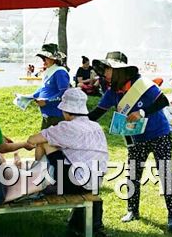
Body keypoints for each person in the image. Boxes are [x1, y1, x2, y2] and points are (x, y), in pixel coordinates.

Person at [89, 51, 172, 232]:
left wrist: (142, 112)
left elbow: (163, 101)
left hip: (158, 134)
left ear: (119, 71)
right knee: (133, 174)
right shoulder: (112, 92)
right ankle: (132, 210)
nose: (104, 74)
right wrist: (75, 120)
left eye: (107, 69)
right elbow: (96, 114)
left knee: (165, 173)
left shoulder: (143, 85)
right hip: (136, 138)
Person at [27, 88, 108, 237]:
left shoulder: (67, 127)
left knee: (44, 143)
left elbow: (32, 140)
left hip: (76, 183)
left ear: (65, 111)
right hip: (96, 181)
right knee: (54, 145)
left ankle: (36, 181)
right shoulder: (95, 126)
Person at [32, 43, 70, 129]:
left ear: (53, 59)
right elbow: (44, 88)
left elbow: (64, 92)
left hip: (57, 114)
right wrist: (29, 97)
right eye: (43, 58)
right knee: (44, 139)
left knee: (54, 141)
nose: (43, 61)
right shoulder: (49, 71)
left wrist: (47, 101)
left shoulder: (60, 72)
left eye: (45, 58)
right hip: (48, 114)